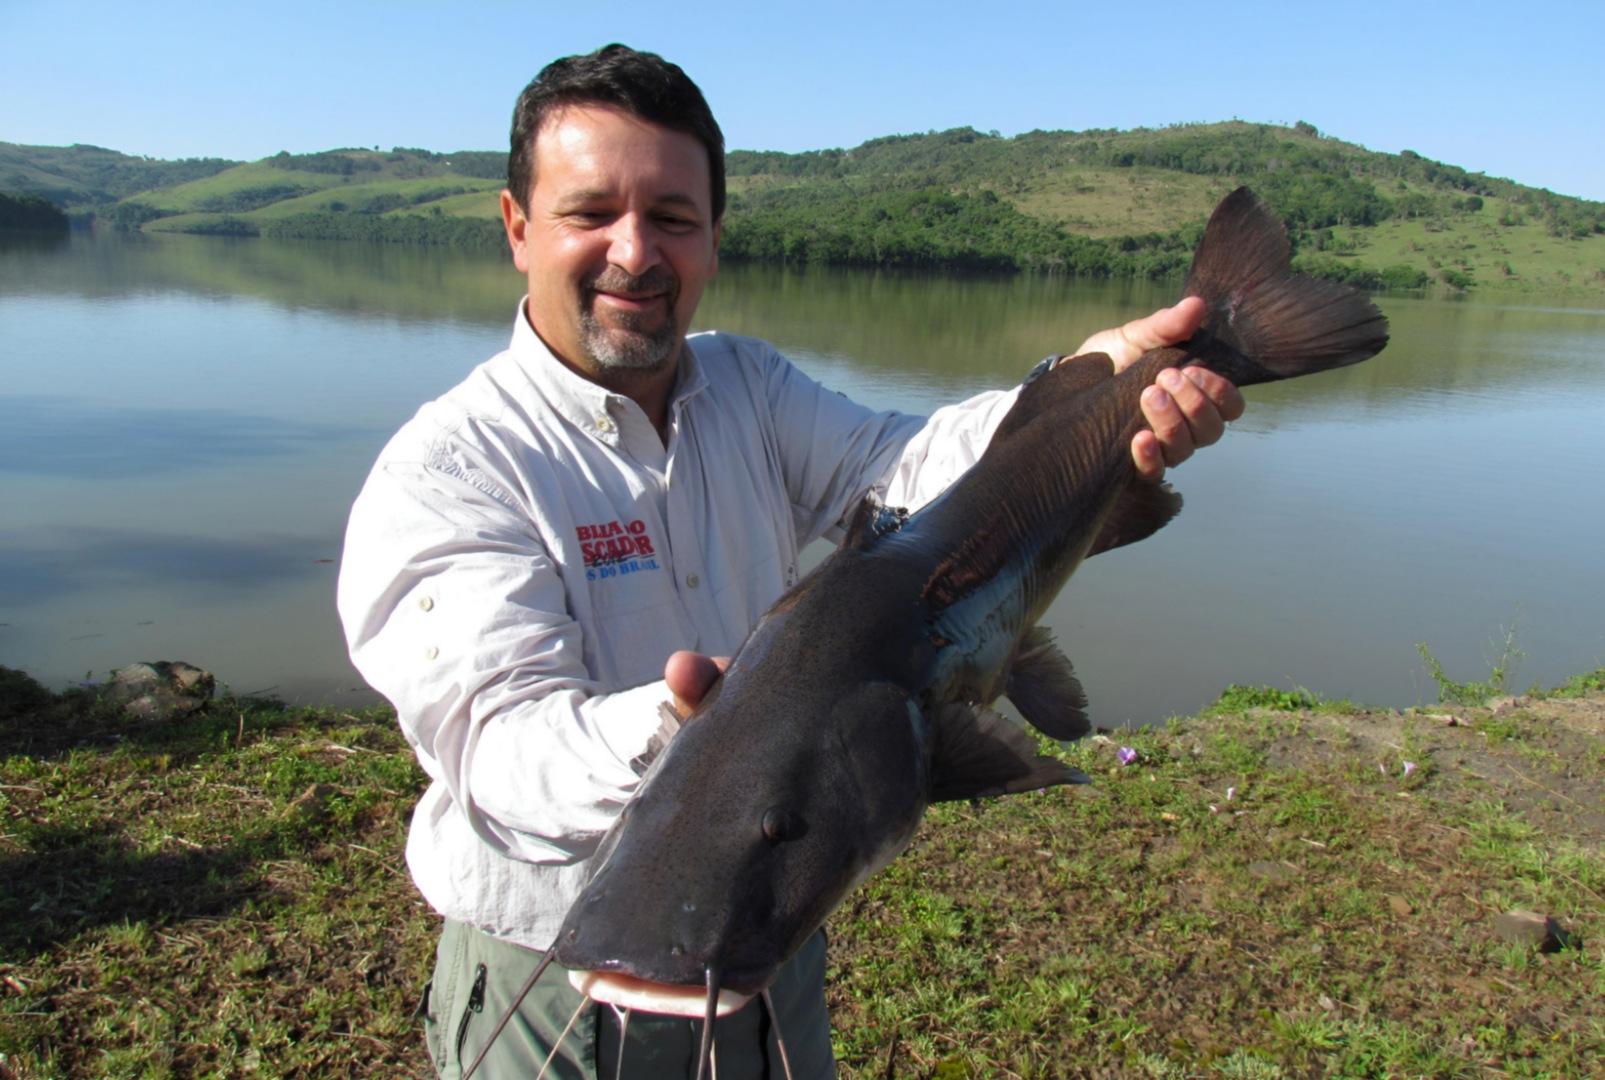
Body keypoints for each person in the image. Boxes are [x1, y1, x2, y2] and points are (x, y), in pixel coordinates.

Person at [337, 43, 1243, 1080]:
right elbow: (500, 750)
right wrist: (698, 729)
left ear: (714, 238)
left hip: (769, 944)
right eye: (591, 213)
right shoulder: (451, 468)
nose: (635, 253)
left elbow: (907, 479)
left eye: (673, 218)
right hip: (558, 980)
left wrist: (1094, 385)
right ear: (516, 229)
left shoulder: (747, 385)